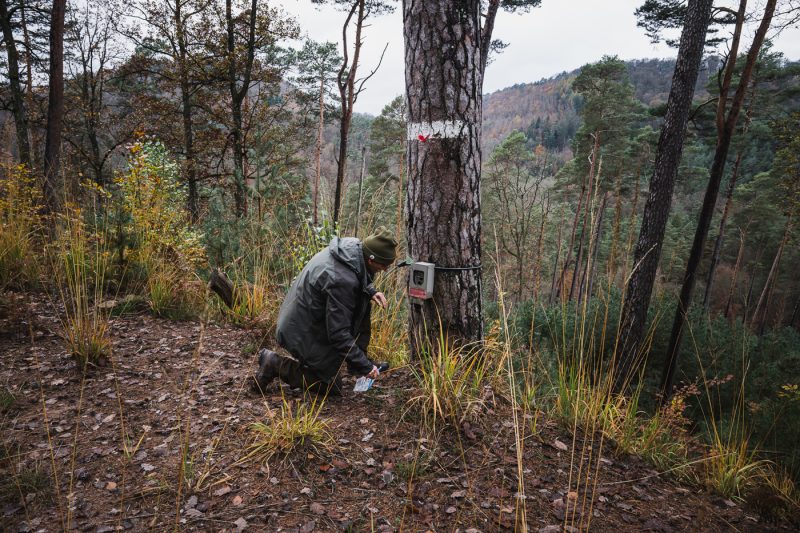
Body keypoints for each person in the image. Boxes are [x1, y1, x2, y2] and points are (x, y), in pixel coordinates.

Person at [253, 227, 397, 396]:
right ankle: (274, 363)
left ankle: (357, 364)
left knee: (363, 298)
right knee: (330, 386)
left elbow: (357, 274)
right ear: (371, 259)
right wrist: (366, 368)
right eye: (384, 265)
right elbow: (338, 333)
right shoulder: (342, 280)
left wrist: (371, 291)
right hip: (300, 330)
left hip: (303, 318)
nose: (386, 269)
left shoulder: (352, 249)